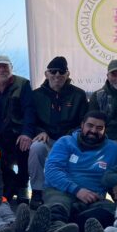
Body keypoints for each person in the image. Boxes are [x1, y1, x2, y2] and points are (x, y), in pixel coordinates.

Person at [20, 111, 117, 232]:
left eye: (99, 128)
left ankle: (55, 226)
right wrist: (77, 190)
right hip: (62, 190)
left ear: (105, 130)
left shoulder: (113, 149)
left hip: (92, 198)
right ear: (82, 125)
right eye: (90, 126)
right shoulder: (65, 142)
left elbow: (114, 178)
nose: (93, 131)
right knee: (58, 206)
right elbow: (52, 171)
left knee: (112, 213)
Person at [28, 56, 88, 208]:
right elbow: (30, 121)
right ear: (46, 74)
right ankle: (37, 191)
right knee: (36, 148)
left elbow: (83, 123)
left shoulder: (79, 95)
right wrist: (40, 131)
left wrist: (71, 137)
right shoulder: (35, 95)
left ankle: (70, 193)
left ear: (67, 75)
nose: (57, 75)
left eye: (61, 72)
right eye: (53, 72)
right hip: (47, 139)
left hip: (70, 141)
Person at [0, 55, 35, 201]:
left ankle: (23, 186)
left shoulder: (23, 84)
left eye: (5, 66)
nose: (2, 70)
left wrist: (27, 133)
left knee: (24, 147)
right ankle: (4, 186)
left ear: (11, 68)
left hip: (17, 134)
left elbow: (29, 111)